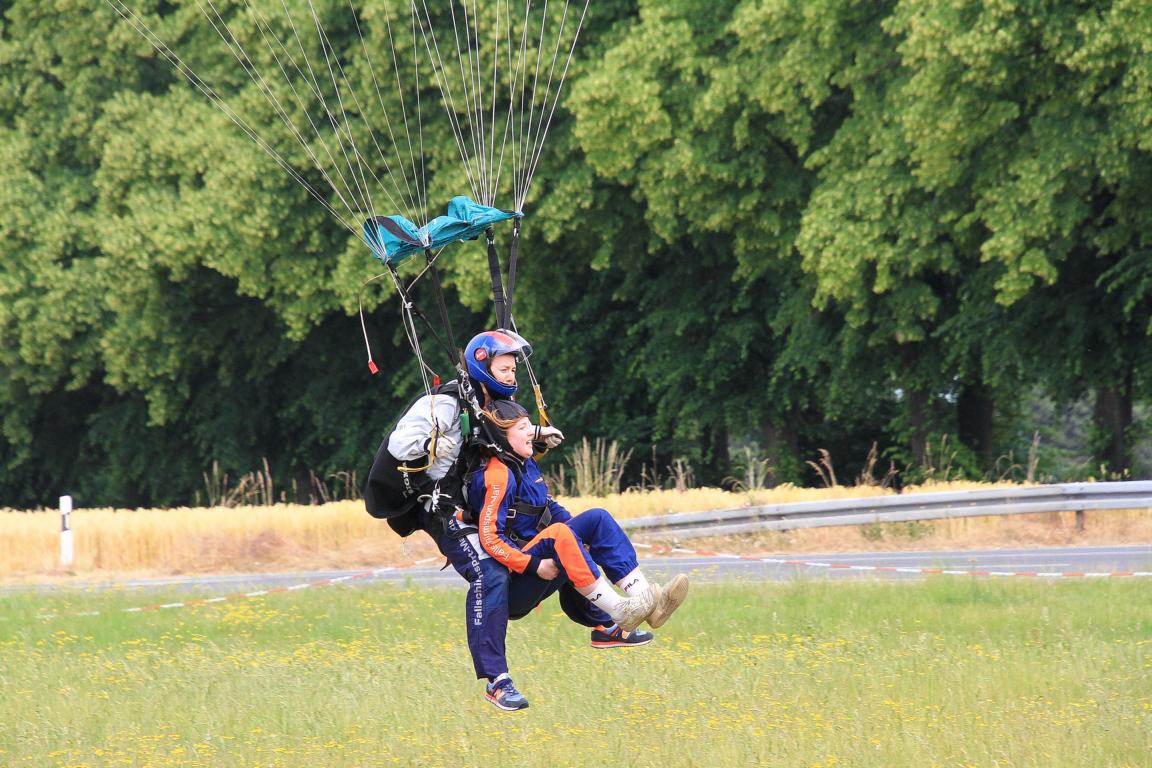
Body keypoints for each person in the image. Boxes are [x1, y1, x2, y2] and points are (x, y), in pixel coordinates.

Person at [367, 329, 655, 713]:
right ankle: (497, 680)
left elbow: (497, 431)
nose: (511, 375)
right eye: (504, 369)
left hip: (482, 500)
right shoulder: (444, 403)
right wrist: (433, 443)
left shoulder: (493, 400)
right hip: (444, 509)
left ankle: (608, 623)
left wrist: (534, 434)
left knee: (570, 533)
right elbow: (400, 446)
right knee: (489, 572)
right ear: (484, 368)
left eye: (513, 368)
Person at [459, 397, 690, 709]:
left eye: (530, 426)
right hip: (518, 580)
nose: (532, 433)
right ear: (501, 436)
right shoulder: (498, 474)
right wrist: (533, 564)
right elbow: (490, 538)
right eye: (523, 428)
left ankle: (647, 603)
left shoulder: (524, 462)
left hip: (541, 556)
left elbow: (547, 507)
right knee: (560, 533)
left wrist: (579, 537)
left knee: (596, 519)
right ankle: (620, 612)